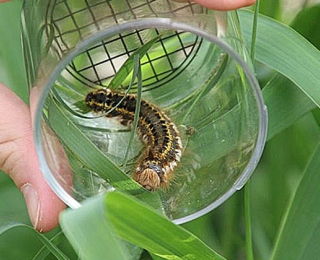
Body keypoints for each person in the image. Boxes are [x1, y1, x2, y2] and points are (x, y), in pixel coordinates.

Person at [0, 0, 256, 232]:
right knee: (141, 116)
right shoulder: (159, 141)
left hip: (141, 118)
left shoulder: (162, 148)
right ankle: (101, 99)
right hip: (125, 107)